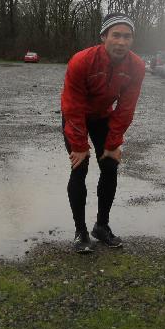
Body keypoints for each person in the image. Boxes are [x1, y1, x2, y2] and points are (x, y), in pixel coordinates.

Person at [61, 13, 146, 253]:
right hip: (76, 116)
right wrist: (79, 145)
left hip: (102, 116)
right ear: (103, 37)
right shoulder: (81, 61)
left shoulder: (136, 66)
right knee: (80, 166)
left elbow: (126, 107)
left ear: (132, 40)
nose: (121, 42)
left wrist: (113, 143)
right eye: (116, 35)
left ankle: (101, 226)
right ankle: (81, 232)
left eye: (127, 36)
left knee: (109, 164)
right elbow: (72, 106)